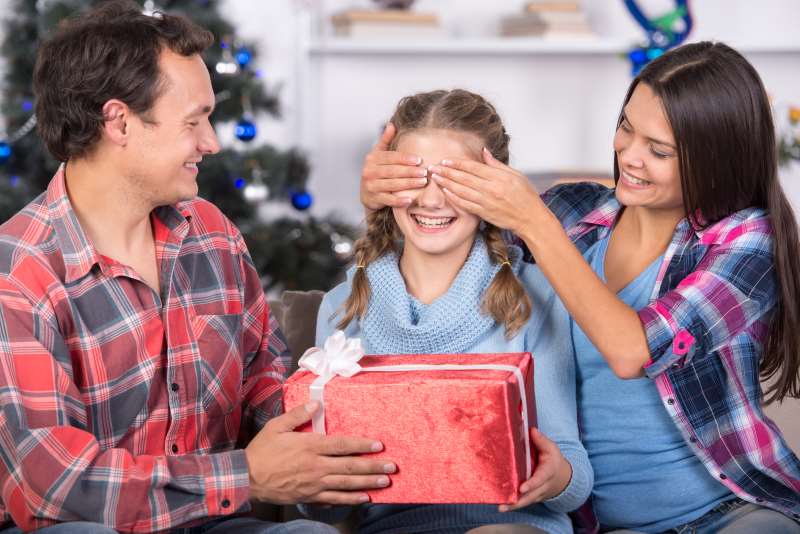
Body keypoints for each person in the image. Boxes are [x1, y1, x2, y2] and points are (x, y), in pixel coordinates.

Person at [360, 42, 800, 533]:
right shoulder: (574, 211)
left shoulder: (746, 241)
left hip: (725, 515)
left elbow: (633, 350)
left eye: (658, 150)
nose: (628, 156)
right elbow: (447, 254)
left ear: (716, 158)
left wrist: (534, 223)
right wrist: (384, 200)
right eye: (626, 128)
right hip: (591, 524)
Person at [0, 2, 394, 532]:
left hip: (209, 522)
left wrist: (319, 438)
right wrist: (245, 478)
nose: (210, 143)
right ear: (119, 122)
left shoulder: (212, 235)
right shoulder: (18, 273)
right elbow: (57, 487)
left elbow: (265, 382)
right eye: (195, 121)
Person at [307, 89, 592, 534]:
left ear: (493, 188)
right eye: (414, 179)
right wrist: (319, 487)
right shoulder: (342, 308)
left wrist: (555, 477)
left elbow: (574, 477)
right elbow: (321, 508)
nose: (431, 201)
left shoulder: (535, 299)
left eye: (454, 181)